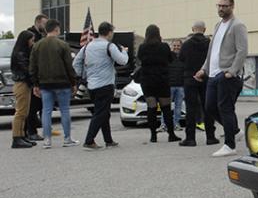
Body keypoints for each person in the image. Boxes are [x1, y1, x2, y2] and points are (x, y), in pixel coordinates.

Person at [195, 0, 248, 157]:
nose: (221, 8)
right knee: (210, 107)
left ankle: (230, 145)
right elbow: (212, 51)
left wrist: (232, 71)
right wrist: (203, 69)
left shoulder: (238, 25)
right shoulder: (218, 25)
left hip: (226, 75)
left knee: (225, 108)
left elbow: (242, 50)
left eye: (225, 6)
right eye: (219, 5)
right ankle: (235, 131)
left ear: (232, 7)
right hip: (213, 74)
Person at [72, 22, 129, 151]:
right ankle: (89, 140)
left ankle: (108, 140)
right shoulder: (109, 46)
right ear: (109, 32)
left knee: (104, 113)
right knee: (100, 114)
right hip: (105, 85)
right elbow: (122, 61)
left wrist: (83, 74)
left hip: (91, 86)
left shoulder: (88, 46)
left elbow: (76, 63)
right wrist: (124, 52)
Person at [29, 19, 79, 148]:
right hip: (62, 83)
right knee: (64, 110)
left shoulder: (37, 45)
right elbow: (69, 66)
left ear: (46, 29)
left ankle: (47, 140)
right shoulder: (63, 45)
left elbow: (32, 67)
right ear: (56, 29)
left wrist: (35, 84)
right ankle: (67, 139)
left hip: (45, 84)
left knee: (46, 111)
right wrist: (73, 82)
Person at [137, 25, 181, 143]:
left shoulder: (142, 47)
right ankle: (171, 134)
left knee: (151, 108)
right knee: (166, 108)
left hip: (147, 81)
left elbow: (139, 60)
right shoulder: (164, 46)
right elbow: (170, 59)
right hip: (162, 80)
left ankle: (153, 136)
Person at [179, 21, 211, 147]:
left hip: (190, 78)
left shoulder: (187, 44)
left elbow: (181, 58)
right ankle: (210, 136)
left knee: (190, 108)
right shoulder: (209, 43)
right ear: (204, 29)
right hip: (206, 77)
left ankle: (190, 138)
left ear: (193, 29)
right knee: (207, 107)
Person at [10, 30, 36, 148]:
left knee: (25, 111)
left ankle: (22, 135)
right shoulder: (20, 54)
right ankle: (16, 138)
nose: (32, 42)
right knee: (20, 112)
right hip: (21, 83)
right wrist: (36, 81)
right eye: (31, 40)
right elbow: (27, 69)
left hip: (25, 83)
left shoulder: (23, 52)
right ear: (26, 40)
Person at [25, 13, 48, 141]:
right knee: (33, 106)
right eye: (44, 23)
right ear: (38, 22)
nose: (45, 26)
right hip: (33, 77)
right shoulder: (30, 34)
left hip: (41, 76)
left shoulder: (42, 35)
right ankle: (31, 131)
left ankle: (37, 129)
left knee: (40, 105)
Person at [163, 39, 184, 132]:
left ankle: (176, 124)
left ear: (181, 46)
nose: (176, 47)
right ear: (171, 47)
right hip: (169, 85)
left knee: (178, 107)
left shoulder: (184, 57)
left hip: (180, 85)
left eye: (178, 46)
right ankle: (164, 125)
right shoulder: (167, 57)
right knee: (166, 107)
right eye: (174, 46)